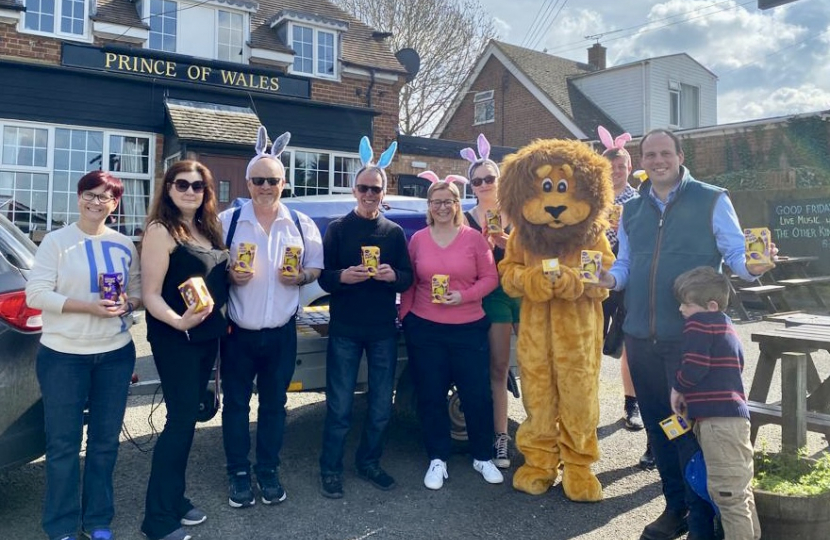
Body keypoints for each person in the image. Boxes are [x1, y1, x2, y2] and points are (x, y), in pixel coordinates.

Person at [596, 128, 775, 540]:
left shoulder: (712, 198)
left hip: (692, 339)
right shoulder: (634, 211)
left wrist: (755, 267)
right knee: (662, 429)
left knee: (693, 431)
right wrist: (608, 279)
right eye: (649, 155)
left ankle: (702, 518)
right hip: (641, 337)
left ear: (680, 155)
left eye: (664, 153)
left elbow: (735, 254)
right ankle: (674, 507)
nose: (657, 161)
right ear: (641, 161)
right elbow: (625, 264)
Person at [26, 171, 141, 540]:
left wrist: (129, 303)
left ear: (115, 204)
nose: (96, 202)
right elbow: (37, 295)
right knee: (63, 444)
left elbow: (137, 291)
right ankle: (60, 525)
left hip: (115, 355)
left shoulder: (125, 244)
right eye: (90, 194)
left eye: (105, 197)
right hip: (64, 356)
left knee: (105, 444)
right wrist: (87, 308)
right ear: (78, 198)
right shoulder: (56, 242)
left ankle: (97, 521)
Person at [220, 126, 323, 508]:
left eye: (273, 180)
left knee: (274, 405)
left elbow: (317, 267)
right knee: (234, 404)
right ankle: (238, 472)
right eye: (259, 180)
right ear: (248, 183)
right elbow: (210, 270)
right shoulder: (227, 222)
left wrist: (302, 276)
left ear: (284, 183)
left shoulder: (300, 224)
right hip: (237, 332)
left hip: (281, 331)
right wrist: (228, 275)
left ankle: (267, 469)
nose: (266, 186)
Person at [317, 137, 413, 498]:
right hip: (344, 329)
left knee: (379, 407)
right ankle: (330, 467)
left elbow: (408, 275)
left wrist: (393, 277)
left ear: (384, 192)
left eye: (376, 188)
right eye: (364, 188)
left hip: (382, 330)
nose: (370, 194)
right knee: (340, 406)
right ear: (354, 190)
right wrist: (342, 276)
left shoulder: (394, 232)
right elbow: (323, 275)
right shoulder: (338, 229)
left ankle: (369, 462)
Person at [140, 160, 229, 540]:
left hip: (207, 339)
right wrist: (178, 322)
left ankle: (174, 499)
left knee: (188, 420)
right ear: (168, 188)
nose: (190, 191)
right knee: (178, 424)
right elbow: (150, 294)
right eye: (182, 184)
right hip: (177, 340)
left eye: (198, 186)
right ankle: (157, 519)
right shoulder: (161, 230)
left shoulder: (208, 228)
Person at [399, 174, 503, 490]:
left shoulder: (472, 238)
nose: (443, 207)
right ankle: (437, 458)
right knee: (430, 395)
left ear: (458, 204)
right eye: (436, 202)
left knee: (476, 395)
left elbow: (490, 278)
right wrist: (407, 318)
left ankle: (482, 456)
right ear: (429, 207)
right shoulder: (417, 239)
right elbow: (410, 282)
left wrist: (464, 296)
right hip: (426, 327)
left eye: (449, 201)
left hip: (468, 327)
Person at [670, 266, 761, 540]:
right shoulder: (726, 325)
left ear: (710, 305)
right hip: (735, 419)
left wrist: (678, 387)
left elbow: (695, 366)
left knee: (727, 495)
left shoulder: (700, 323)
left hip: (717, 424)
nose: (682, 310)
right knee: (740, 491)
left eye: (687, 303)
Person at [460, 134, 520, 469]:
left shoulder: (519, 214)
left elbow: (533, 255)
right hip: (494, 295)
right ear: (471, 185)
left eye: (489, 178)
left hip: (524, 292)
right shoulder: (467, 220)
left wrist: (504, 241)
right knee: (498, 368)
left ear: (499, 181)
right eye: (477, 180)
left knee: (539, 366)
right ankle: (501, 438)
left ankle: (546, 435)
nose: (483, 184)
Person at [596, 126, 653, 470]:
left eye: (622, 166)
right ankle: (585, 407)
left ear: (629, 167)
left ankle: (631, 404)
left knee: (631, 342)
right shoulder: (592, 199)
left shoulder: (639, 200)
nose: (617, 171)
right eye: (611, 166)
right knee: (590, 339)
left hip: (629, 278)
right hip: (598, 278)